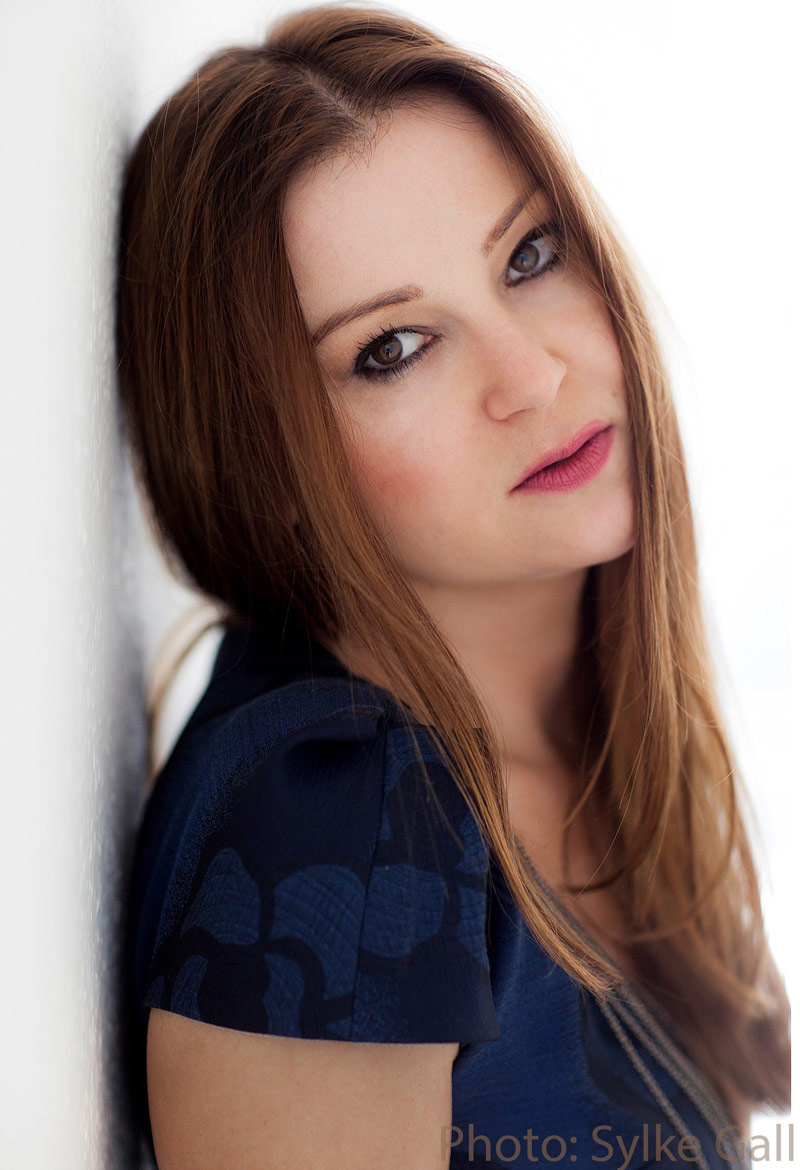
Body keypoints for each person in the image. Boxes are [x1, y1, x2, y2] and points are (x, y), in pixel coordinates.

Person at [116, 4, 790, 1168]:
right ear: (269, 464)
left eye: (528, 256)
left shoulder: (594, 736)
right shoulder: (338, 820)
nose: (532, 376)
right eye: (391, 349)